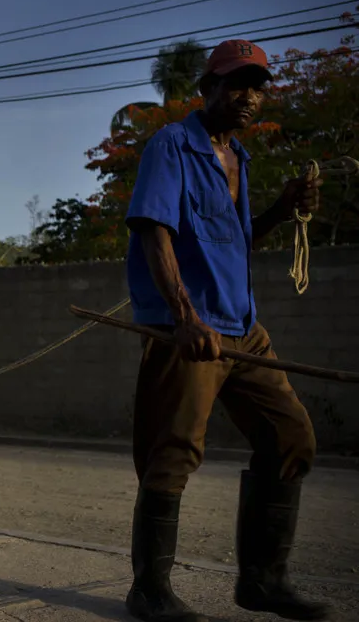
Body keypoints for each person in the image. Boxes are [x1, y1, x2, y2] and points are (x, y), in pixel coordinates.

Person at [122, 39, 330, 622]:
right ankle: (150, 591)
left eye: (257, 86)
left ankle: (262, 582)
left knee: (291, 439)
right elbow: (152, 229)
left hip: (243, 328)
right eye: (237, 84)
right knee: (174, 452)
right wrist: (184, 317)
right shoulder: (172, 145)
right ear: (207, 89)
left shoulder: (238, 155)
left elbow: (234, 244)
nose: (249, 96)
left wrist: (282, 209)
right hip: (189, 330)